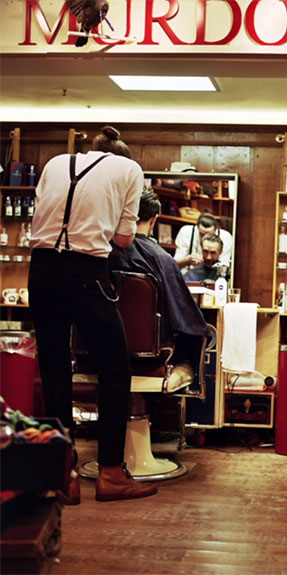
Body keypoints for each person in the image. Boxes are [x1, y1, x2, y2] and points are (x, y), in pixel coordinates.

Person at [28, 126, 157, 503]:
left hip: (41, 269)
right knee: (115, 372)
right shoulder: (129, 170)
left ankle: (62, 475)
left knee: (54, 369)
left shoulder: (54, 162)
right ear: (123, 156)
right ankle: (112, 473)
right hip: (86, 271)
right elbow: (123, 239)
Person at [109, 188, 209, 367]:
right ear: (154, 219)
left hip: (101, 354)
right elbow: (185, 317)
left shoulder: (103, 251)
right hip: (152, 359)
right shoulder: (162, 259)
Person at [174, 210, 233, 275]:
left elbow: (224, 267)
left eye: (209, 234)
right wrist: (187, 260)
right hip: (188, 277)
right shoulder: (186, 232)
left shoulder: (225, 237)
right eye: (202, 234)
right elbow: (174, 265)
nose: (205, 238)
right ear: (197, 228)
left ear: (216, 230)